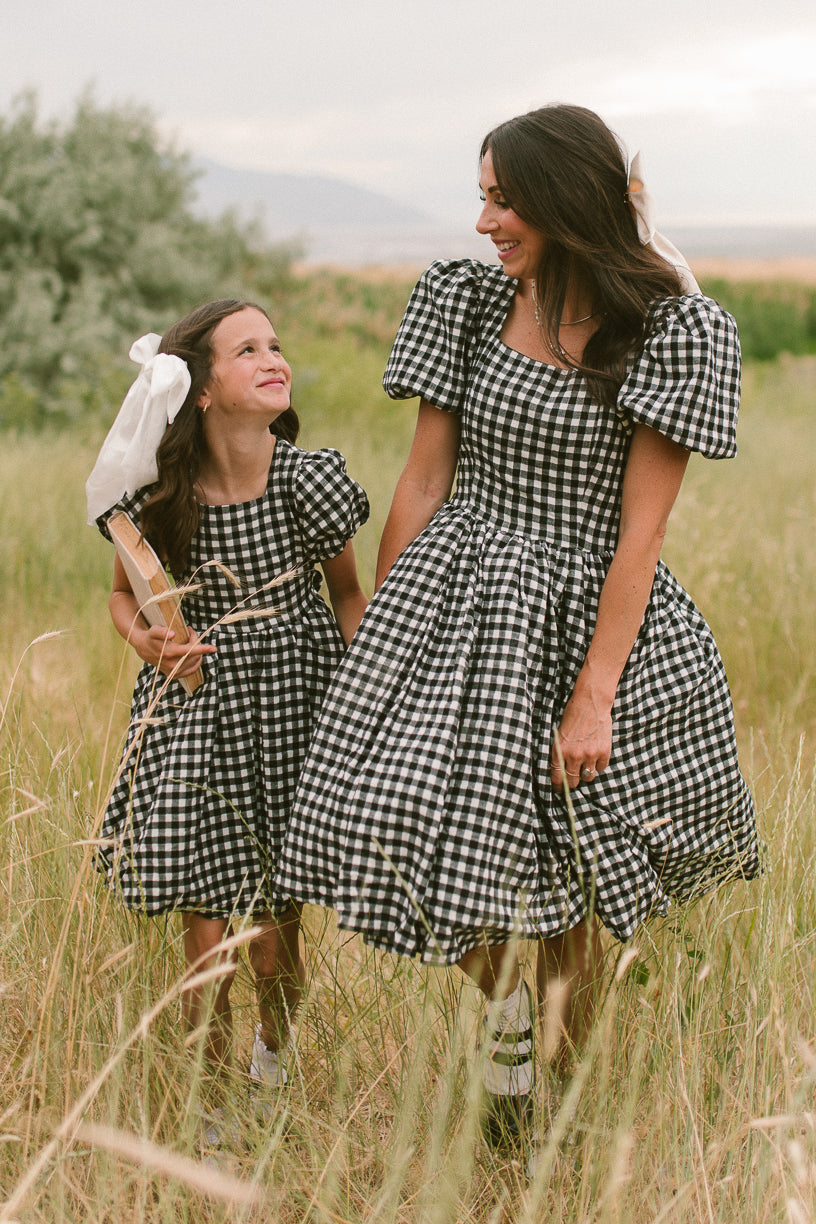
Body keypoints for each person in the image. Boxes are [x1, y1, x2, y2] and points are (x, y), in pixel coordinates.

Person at [273, 105, 760, 1147]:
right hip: (458, 594)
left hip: (593, 615)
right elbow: (423, 475)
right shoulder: (466, 300)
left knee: (569, 867)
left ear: (565, 197)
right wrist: (385, 634)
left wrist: (595, 698)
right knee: (388, 817)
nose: (486, 217)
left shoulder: (671, 328)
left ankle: (556, 1105)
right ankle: (505, 1022)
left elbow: (641, 536)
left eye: (504, 197)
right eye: (483, 194)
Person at [86, 299, 369, 1146]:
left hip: (296, 707)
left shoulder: (306, 479)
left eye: (275, 344)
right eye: (247, 349)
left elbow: (348, 596)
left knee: (276, 939)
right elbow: (117, 597)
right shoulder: (161, 498)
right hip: (199, 715)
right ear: (202, 390)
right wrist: (151, 643)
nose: (272, 357)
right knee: (206, 938)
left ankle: (269, 1066)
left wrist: (373, 704)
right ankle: (208, 1108)